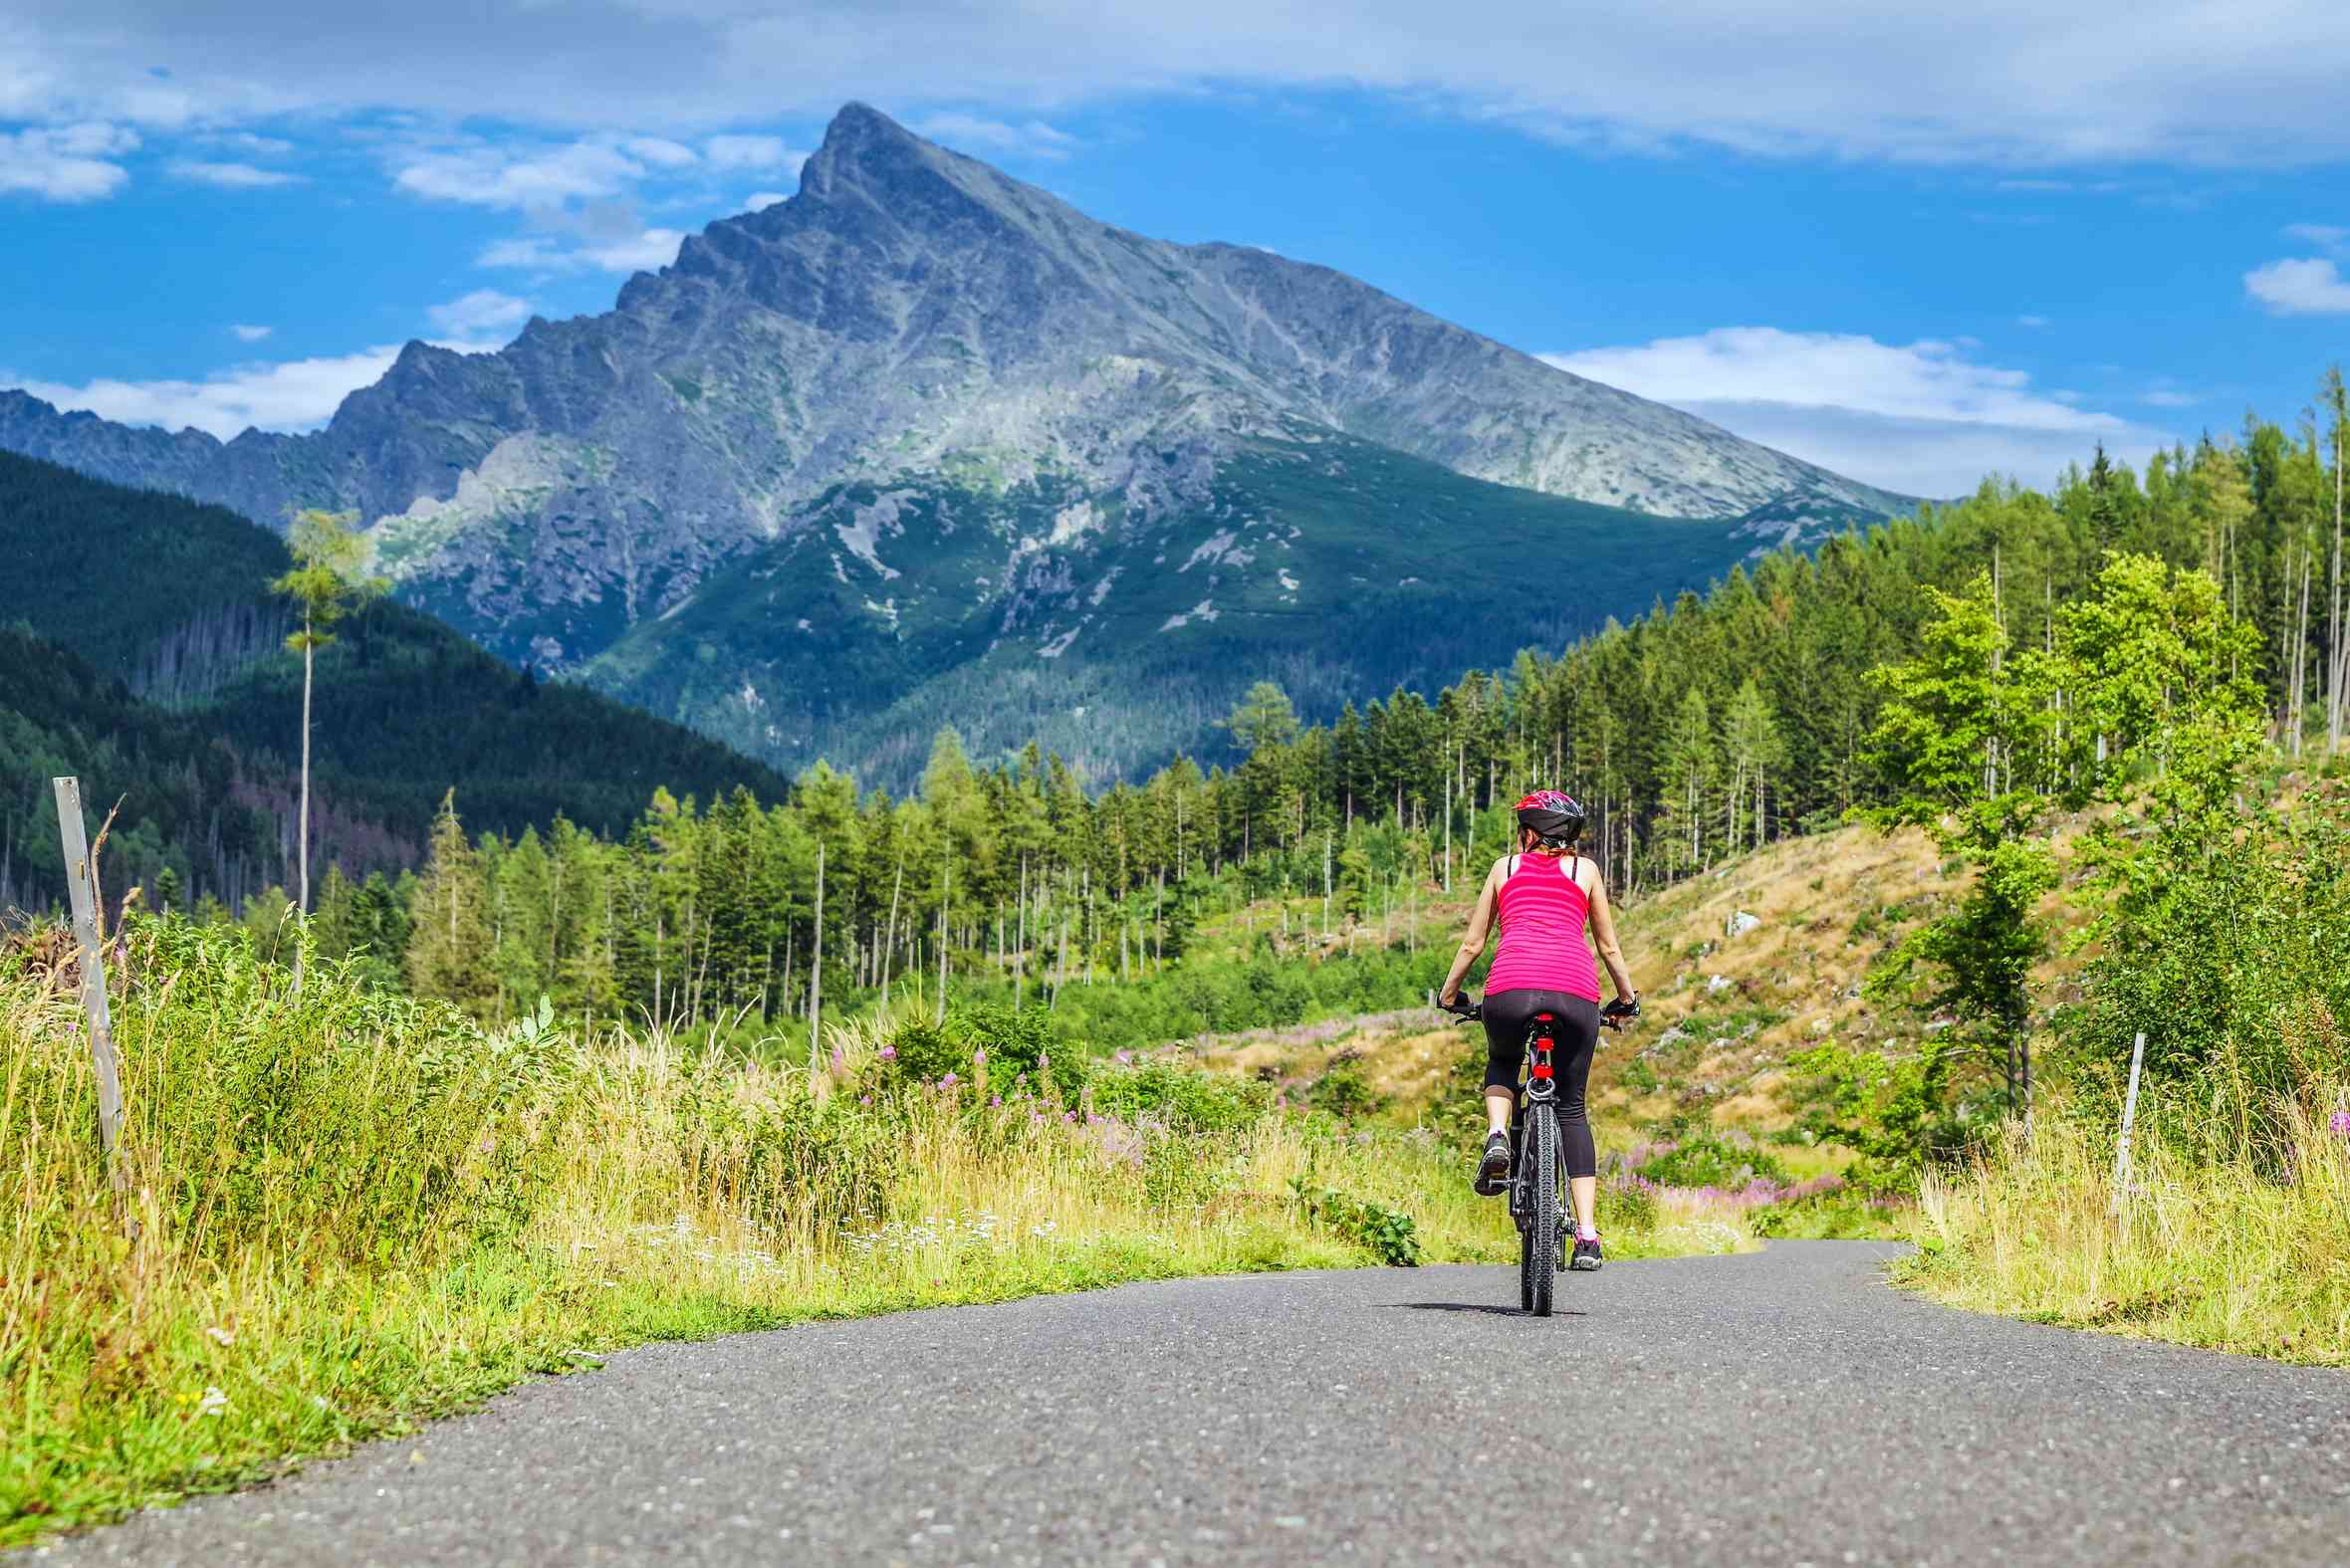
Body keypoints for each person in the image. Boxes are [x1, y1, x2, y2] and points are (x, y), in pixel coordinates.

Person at [1437, 789, 1639, 1271]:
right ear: (1566, 835)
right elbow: (1609, 949)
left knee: (1504, 1060)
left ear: (1529, 833)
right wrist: (1628, 1001)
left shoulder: (1504, 869)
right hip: (1575, 995)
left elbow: (1472, 943)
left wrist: (1450, 995)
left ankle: (1499, 1134)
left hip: (1510, 989)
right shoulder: (1584, 871)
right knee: (1571, 1106)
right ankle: (1587, 1236)